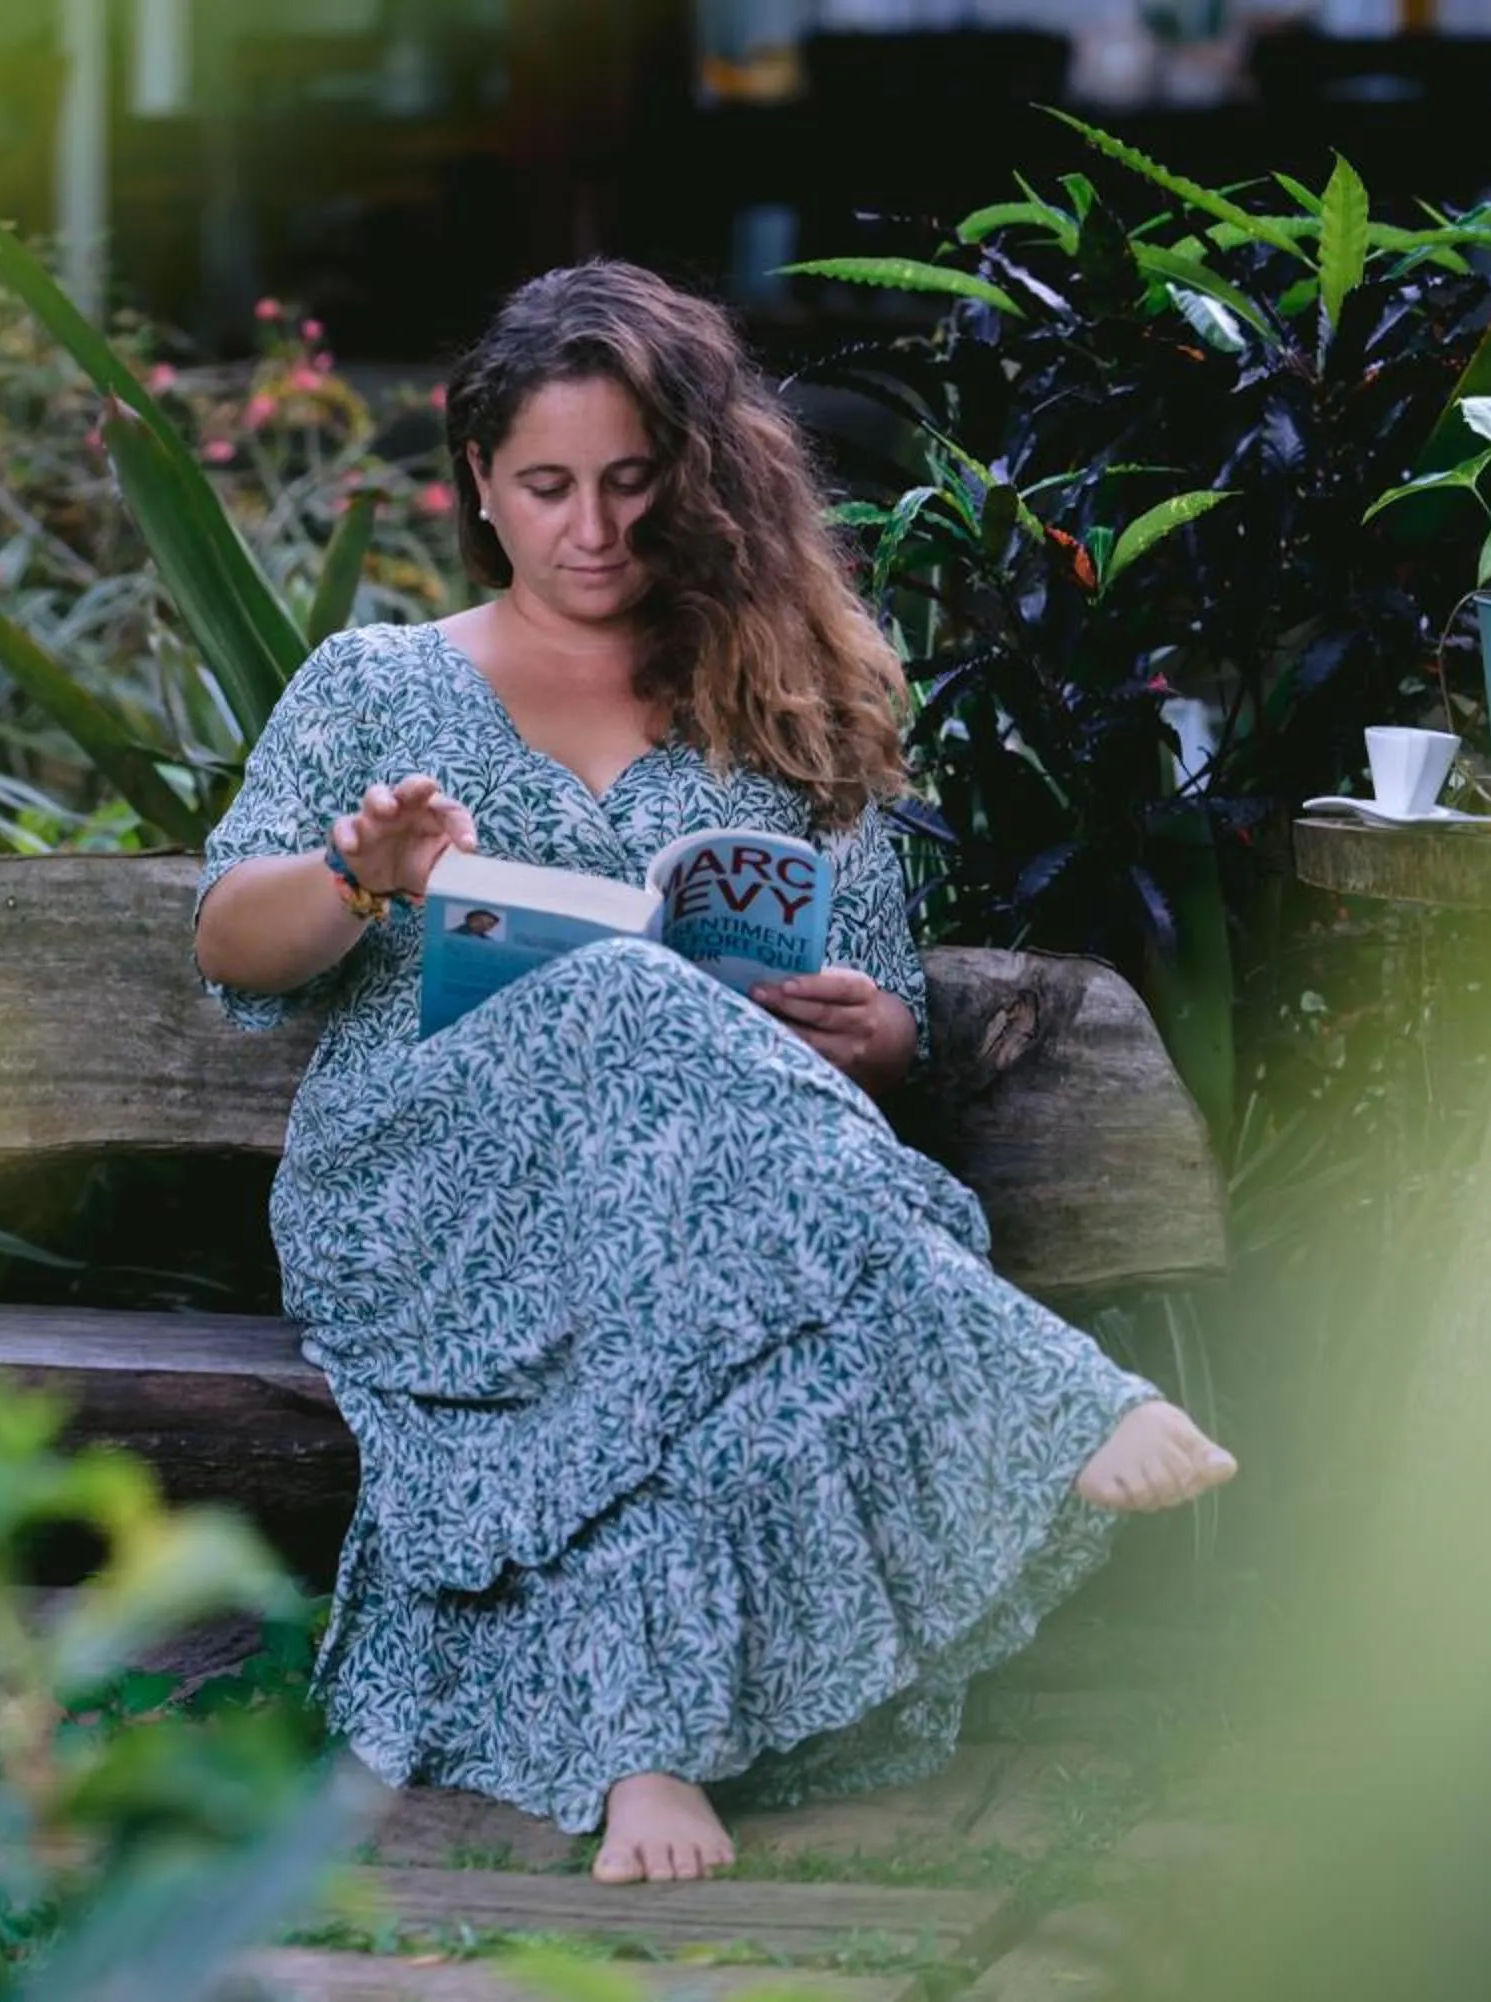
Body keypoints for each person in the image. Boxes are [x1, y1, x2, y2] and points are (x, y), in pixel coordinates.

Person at [190, 262, 1236, 1885]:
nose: (592, 529)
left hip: (707, 1208)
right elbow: (227, 946)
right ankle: (1031, 1388)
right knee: (618, 1000)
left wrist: (878, 1034)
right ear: (478, 481)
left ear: (694, 476)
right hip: (430, 1197)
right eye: (546, 487)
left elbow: (876, 1014)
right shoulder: (378, 684)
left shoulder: (782, 696)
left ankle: (645, 1753)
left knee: (695, 1292)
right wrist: (359, 875)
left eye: (629, 482)